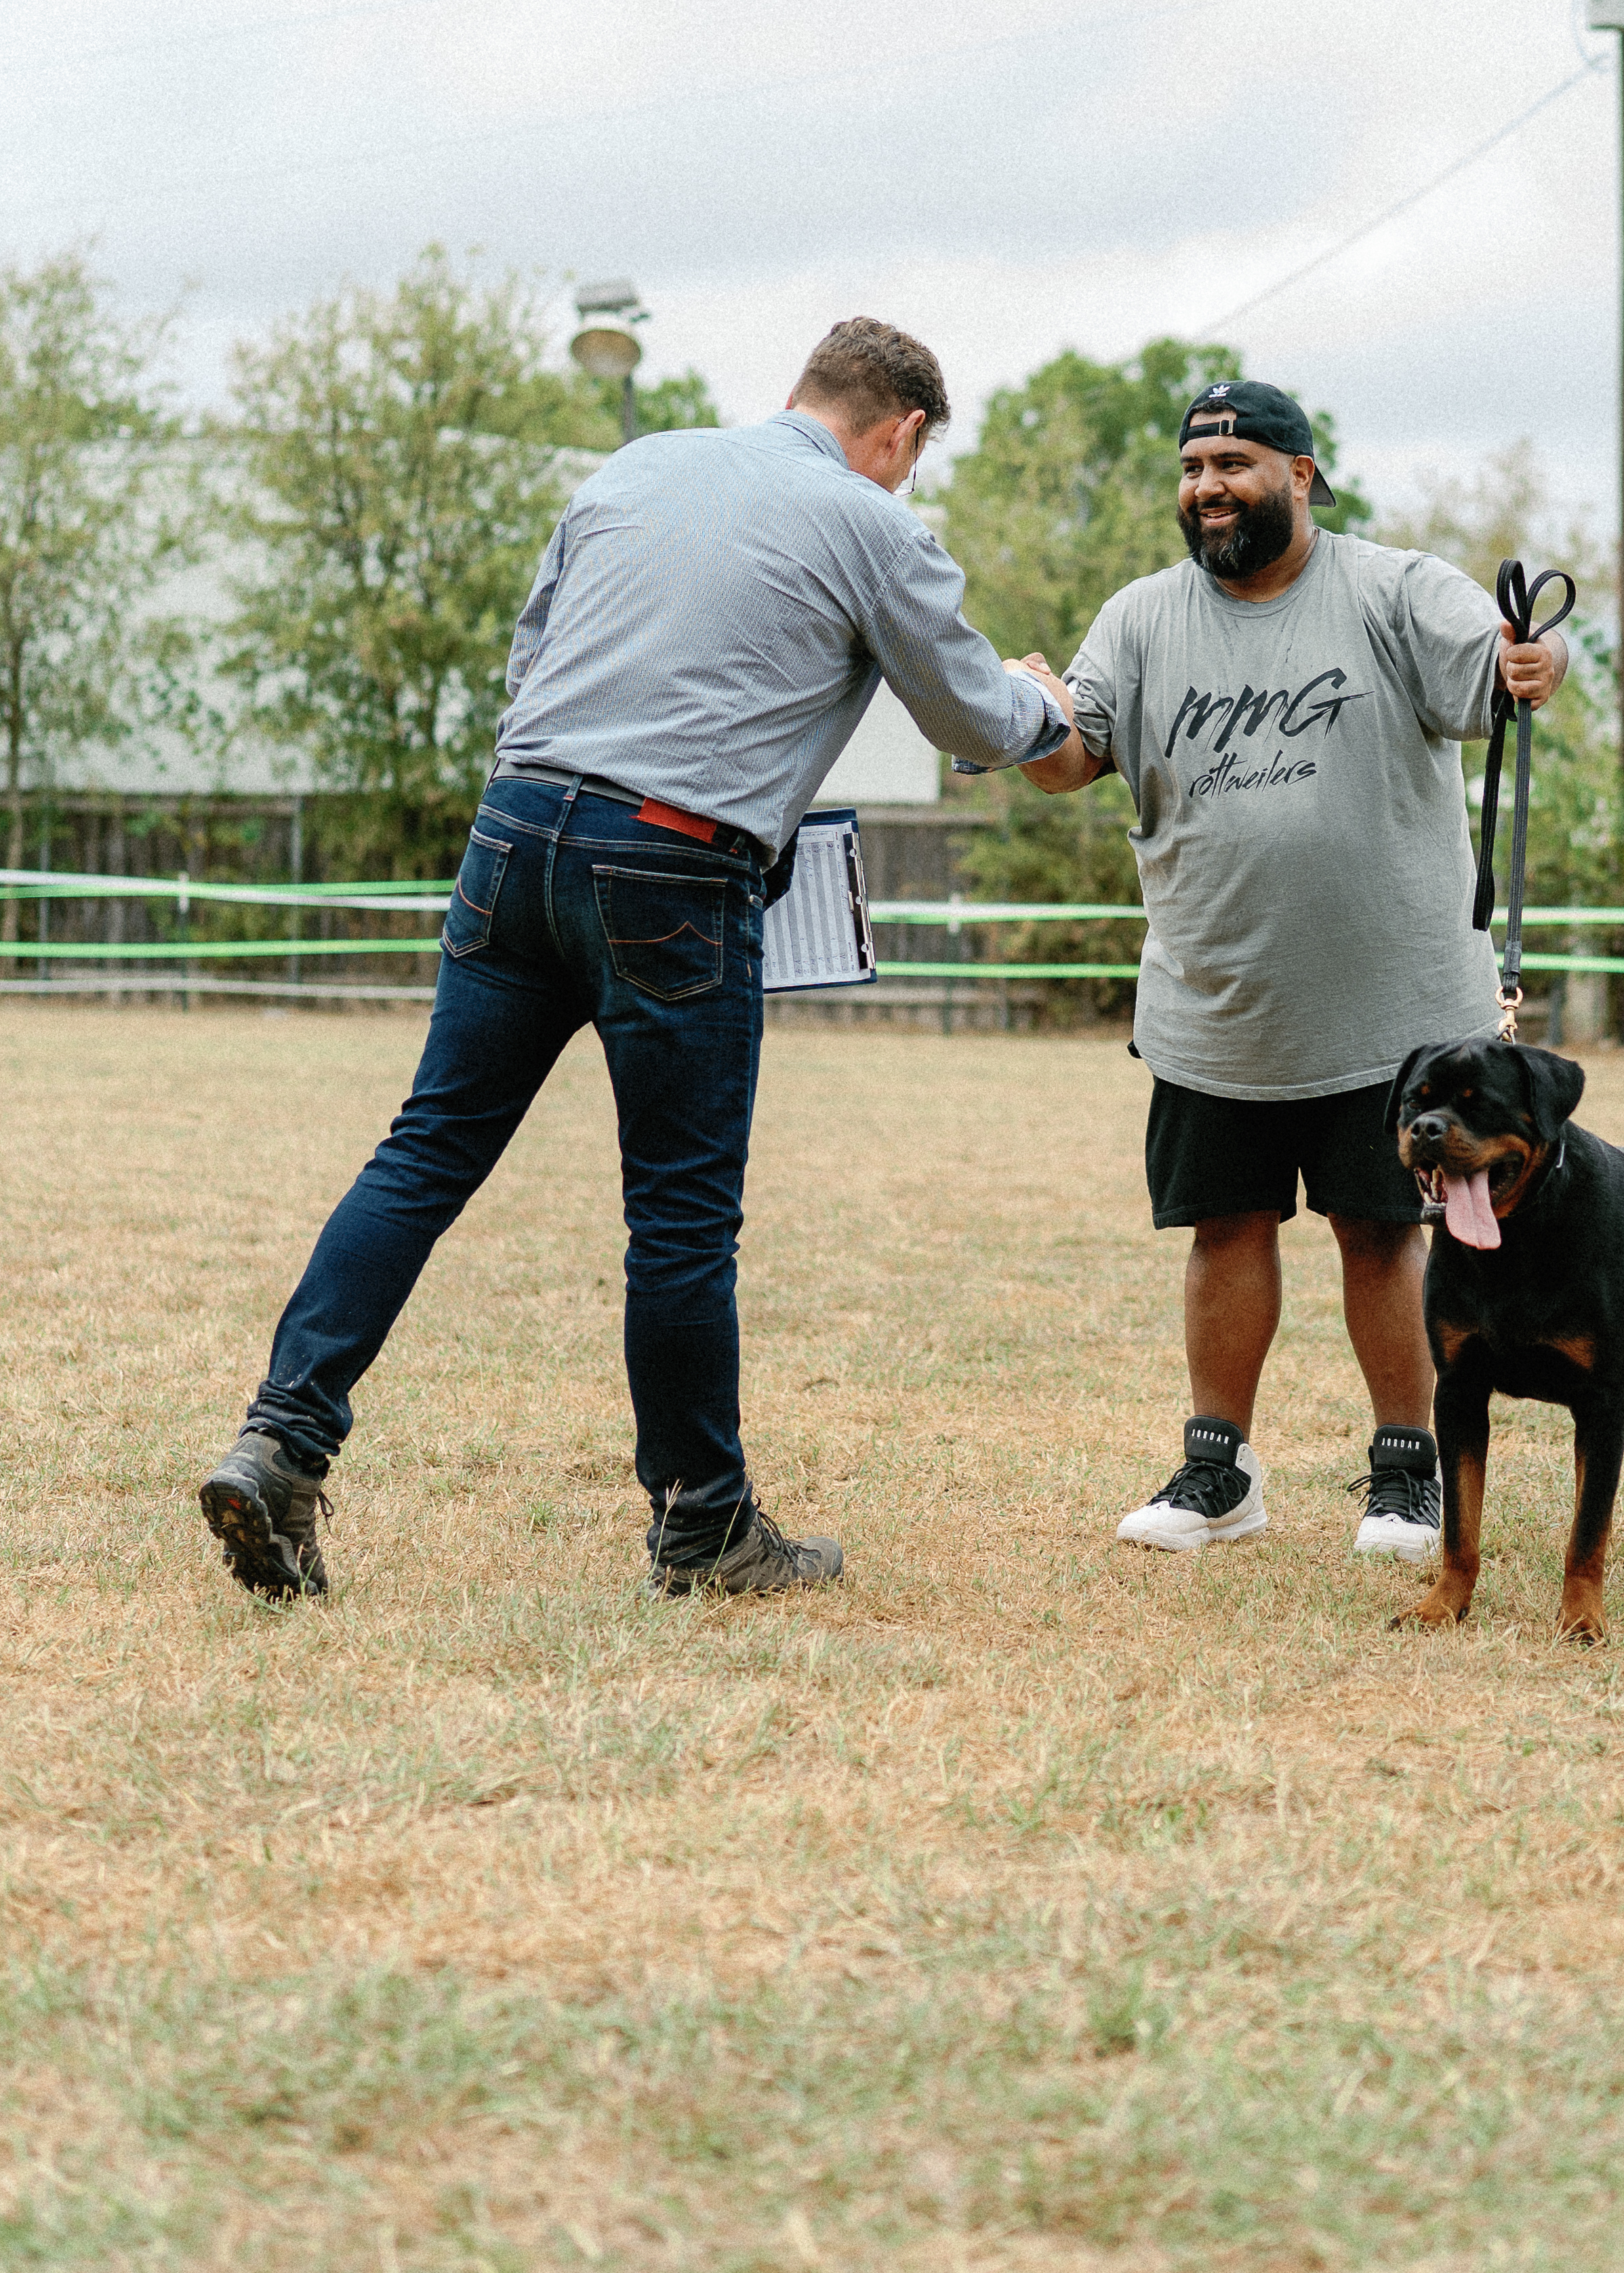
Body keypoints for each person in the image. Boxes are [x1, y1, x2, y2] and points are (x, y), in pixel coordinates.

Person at [197, 317, 1077, 1604]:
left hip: (515, 828)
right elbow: (970, 719)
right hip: (669, 863)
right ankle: (703, 1524)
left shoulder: (635, 467)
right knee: (676, 1216)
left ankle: (281, 1439)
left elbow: (528, 659)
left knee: (424, 1150)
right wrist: (1040, 694)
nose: (903, 481)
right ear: (899, 431)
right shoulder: (870, 521)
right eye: (910, 460)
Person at [1019, 375, 1568, 1564]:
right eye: (1192, 470)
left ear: (1298, 477)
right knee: (1223, 1228)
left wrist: (1539, 660)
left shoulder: (1389, 587)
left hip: (1396, 1013)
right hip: (1219, 1003)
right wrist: (1024, 714)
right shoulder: (1139, 619)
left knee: (1381, 1234)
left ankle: (1405, 1477)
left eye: (1234, 466)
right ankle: (1218, 1474)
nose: (1207, 488)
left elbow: (1500, 669)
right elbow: (1072, 757)